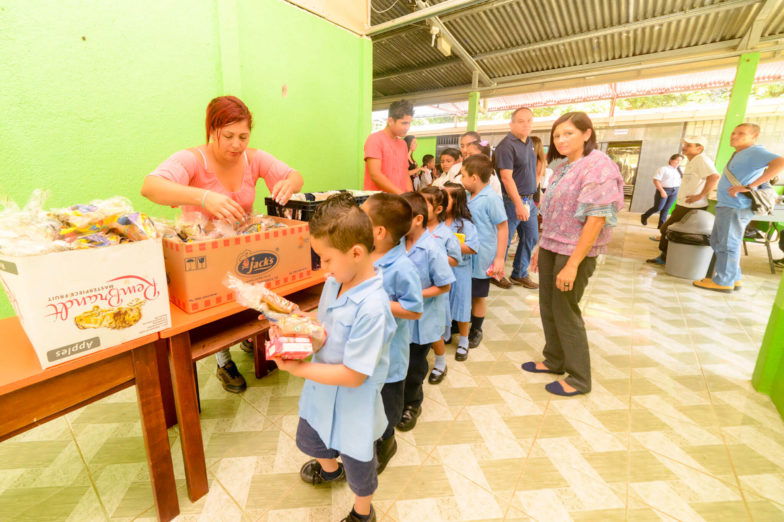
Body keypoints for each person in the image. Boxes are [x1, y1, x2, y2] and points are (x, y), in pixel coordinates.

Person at [141, 95, 304, 394]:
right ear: (212, 130)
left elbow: (295, 176)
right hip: (204, 254)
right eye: (228, 136)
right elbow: (150, 187)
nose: (236, 144)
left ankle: (247, 337)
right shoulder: (193, 160)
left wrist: (288, 184)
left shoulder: (253, 158)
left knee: (251, 297)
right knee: (215, 308)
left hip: (242, 247)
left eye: (243, 136)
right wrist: (203, 197)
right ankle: (223, 361)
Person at [270, 194, 395, 522]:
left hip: (354, 402)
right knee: (314, 439)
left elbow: (355, 375)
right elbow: (323, 331)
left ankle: (362, 511)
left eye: (325, 259)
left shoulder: (372, 307)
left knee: (358, 465)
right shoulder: (334, 283)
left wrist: (299, 369)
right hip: (322, 390)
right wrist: (292, 323)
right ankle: (329, 471)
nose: (321, 267)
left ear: (356, 253)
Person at [522, 112, 624, 397]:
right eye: (557, 135)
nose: (561, 140)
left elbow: (597, 218)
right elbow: (553, 214)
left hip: (574, 252)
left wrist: (573, 265)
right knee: (548, 307)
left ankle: (579, 378)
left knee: (566, 311)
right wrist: (540, 245)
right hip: (552, 246)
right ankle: (554, 360)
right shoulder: (564, 167)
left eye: (568, 133)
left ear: (587, 134)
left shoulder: (599, 166)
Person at [362, 193, 423, 474]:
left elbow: (414, 310)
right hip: (364, 349)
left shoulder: (402, 267)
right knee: (366, 398)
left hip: (390, 354)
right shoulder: (362, 253)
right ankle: (366, 437)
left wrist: (378, 304)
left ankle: (386, 443)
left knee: (386, 405)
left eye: (363, 217)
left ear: (380, 231)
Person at [695, 123, 784, 292]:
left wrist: (750, 186)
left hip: (736, 206)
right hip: (728, 205)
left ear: (754, 136)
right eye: (733, 133)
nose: (734, 136)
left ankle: (723, 281)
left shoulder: (755, 152)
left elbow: (781, 162)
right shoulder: (740, 153)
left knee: (728, 244)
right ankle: (734, 278)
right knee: (719, 242)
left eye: (741, 134)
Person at [397, 192, 454, 431]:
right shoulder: (397, 243)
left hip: (423, 319)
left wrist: (416, 295)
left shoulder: (432, 248)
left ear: (418, 219)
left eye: (401, 219)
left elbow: (444, 285)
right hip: (400, 317)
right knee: (399, 361)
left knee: (415, 365)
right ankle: (396, 400)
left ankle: (412, 404)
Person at [647, 136, 720, 265]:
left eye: (689, 145)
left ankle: (665, 258)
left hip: (692, 206)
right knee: (670, 230)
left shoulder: (701, 159)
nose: (684, 147)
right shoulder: (693, 161)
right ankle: (667, 257)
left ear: (699, 148)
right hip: (684, 204)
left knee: (666, 229)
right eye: (685, 144)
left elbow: (714, 176)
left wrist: (700, 195)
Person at [462, 155, 509, 349]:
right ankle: (462, 324)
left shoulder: (491, 199)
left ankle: (477, 329)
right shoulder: (465, 196)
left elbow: (503, 228)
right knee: (465, 291)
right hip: (466, 255)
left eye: (463, 175)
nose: (461, 180)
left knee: (478, 295)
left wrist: (499, 258)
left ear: (474, 177)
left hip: (482, 256)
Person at [494, 107, 539, 290]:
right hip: (512, 201)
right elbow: (506, 177)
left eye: (529, 120)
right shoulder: (506, 145)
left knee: (531, 236)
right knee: (503, 239)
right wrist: (519, 204)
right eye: (521, 121)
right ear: (511, 124)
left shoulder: (528, 143)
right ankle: (496, 274)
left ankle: (519, 274)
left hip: (529, 200)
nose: (526, 124)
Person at [420, 186, 461, 384]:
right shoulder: (413, 229)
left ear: (438, 210)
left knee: (434, 330)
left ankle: (440, 363)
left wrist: (436, 258)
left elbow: (455, 259)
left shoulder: (445, 233)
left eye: (423, 204)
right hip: (418, 286)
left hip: (436, 290)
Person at [443, 182, 478, 361]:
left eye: (445, 197)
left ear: (456, 202)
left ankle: (464, 339)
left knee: (461, 305)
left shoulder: (465, 224)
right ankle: (446, 332)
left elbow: (472, 247)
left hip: (460, 271)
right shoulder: (438, 222)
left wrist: (449, 246)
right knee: (443, 303)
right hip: (441, 271)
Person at [364, 100, 414, 194]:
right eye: (404, 123)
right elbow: (375, 174)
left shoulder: (403, 144)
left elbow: (405, 174)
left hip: (399, 201)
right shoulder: (375, 139)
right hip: (379, 202)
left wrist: (411, 197)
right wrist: (400, 195)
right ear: (390, 121)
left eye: (409, 123)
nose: (407, 127)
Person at [641, 154, 683, 229]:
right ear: (671, 160)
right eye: (677, 160)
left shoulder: (680, 170)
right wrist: (662, 191)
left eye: (680, 161)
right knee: (658, 208)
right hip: (664, 190)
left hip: (675, 190)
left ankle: (661, 226)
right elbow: (656, 180)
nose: (678, 162)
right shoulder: (663, 169)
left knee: (666, 209)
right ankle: (645, 216)